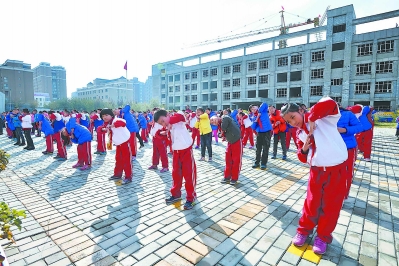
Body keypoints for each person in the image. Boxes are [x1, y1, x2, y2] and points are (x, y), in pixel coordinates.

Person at [281, 98, 348, 255]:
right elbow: (302, 157)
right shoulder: (300, 133)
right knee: (311, 203)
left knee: (331, 206)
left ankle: (323, 237)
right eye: (288, 121)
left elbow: (329, 102)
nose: (292, 122)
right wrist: (304, 149)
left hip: (336, 169)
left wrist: (312, 118)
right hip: (316, 171)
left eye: (292, 117)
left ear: (301, 111)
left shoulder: (324, 118)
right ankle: (304, 230)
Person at [155, 110, 197, 210]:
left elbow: (180, 117)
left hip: (186, 151)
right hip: (176, 153)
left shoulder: (178, 118)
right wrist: (163, 133)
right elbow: (165, 139)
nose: (163, 124)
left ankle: (191, 198)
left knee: (189, 175)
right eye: (161, 123)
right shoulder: (169, 127)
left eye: (163, 120)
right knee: (176, 175)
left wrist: (169, 124)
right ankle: (176, 194)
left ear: (167, 115)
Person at [337, 106, 363, 199]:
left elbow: (359, 127)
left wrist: (345, 130)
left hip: (348, 148)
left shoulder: (347, 114)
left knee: (346, 173)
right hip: (331, 148)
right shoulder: (323, 116)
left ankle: (343, 195)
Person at [101, 108, 132, 185]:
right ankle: (117, 174)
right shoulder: (108, 123)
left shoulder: (116, 120)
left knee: (126, 160)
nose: (104, 117)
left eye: (106, 115)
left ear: (111, 115)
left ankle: (128, 177)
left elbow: (123, 123)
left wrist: (112, 125)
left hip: (124, 142)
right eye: (103, 116)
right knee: (118, 159)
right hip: (118, 143)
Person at [211, 114, 242, 185]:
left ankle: (234, 178)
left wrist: (222, 132)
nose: (213, 122)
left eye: (213, 120)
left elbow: (224, 125)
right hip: (230, 142)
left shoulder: (224, 118)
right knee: (228, 160)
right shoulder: (219, 124)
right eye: (212, 122)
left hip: (236, 141)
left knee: (236, 160)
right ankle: (227, 176)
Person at [250, 103, 273, 170]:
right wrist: (257, 118)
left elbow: (265, 104)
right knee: (258, 148)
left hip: (267, 132)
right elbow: (253, 127)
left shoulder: (263, 111)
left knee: (266, 148)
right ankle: (257, 162)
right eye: (251, 109)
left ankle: (263, 163)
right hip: (259, 133)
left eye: (254, 107)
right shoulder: (253, 117)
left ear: (257, 107)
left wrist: (259, 111)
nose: (253, 109)